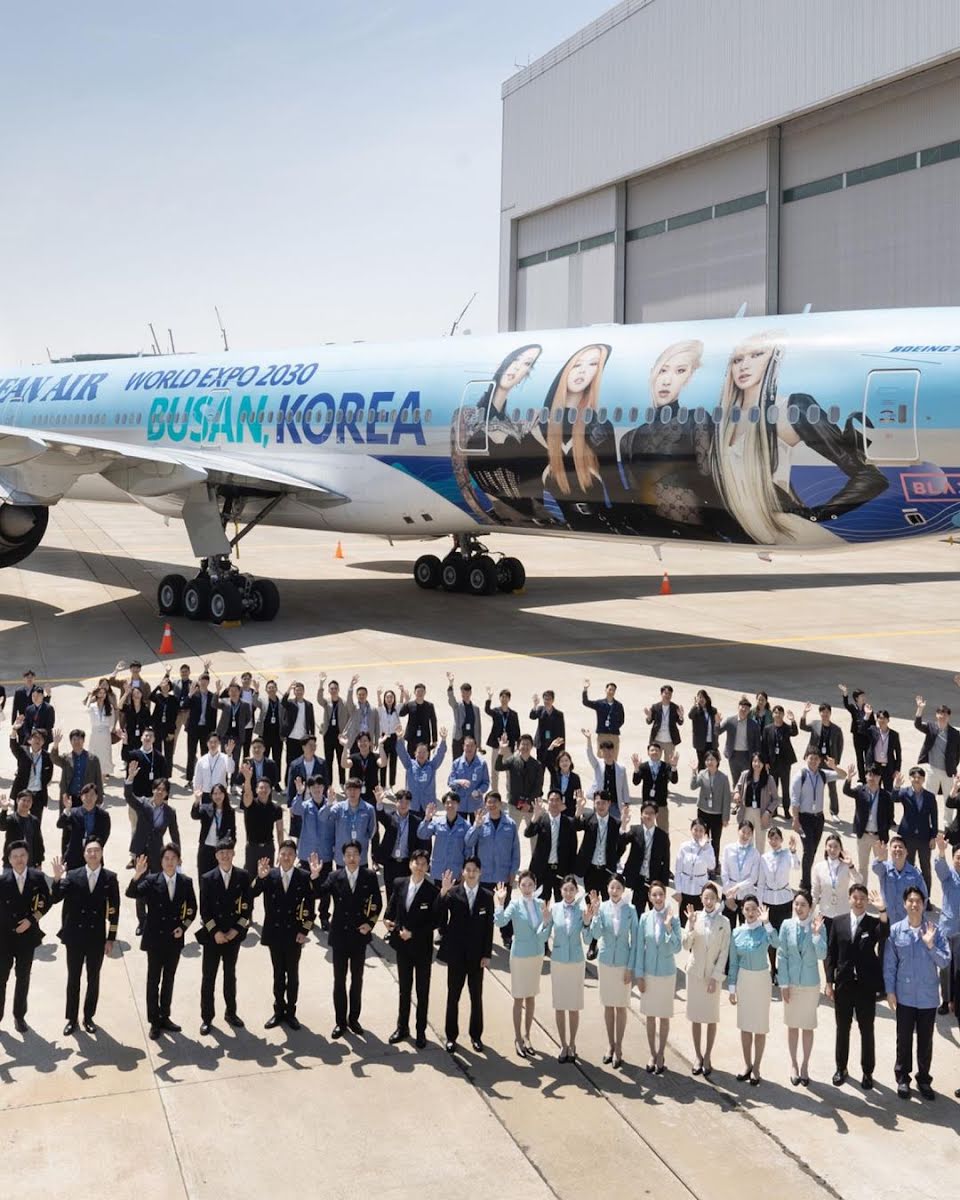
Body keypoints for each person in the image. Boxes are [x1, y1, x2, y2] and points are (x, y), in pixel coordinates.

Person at [705, 330, 886, 547]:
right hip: (751, 534)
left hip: (786, 532)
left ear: (773, 360)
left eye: (756, 355)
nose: (744, 365)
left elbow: (870, 477)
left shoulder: (789, 408)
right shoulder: (722, 421)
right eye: (737, 359)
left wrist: (817, 515)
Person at [883, 885, 951, 1099]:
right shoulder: (896, 930)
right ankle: (903, 1078)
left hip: (927, 998)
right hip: (904, 996)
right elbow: (890, 964)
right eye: (910, 901)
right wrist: (890, 991)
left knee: (925, 1041)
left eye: (918, 901)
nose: (914, 904)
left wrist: (931, 946)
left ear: (924, 904)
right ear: (904, 904)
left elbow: (945, 961)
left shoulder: (935, 930)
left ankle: (923, 1079)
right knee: (903, 1040)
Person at [125, 843, 197, 1039]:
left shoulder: (185, 882)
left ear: (179, 861)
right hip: (155, 939)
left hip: (174, 939)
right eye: (166, 858)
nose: (170, 862)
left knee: (169, 979)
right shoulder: (151, 880)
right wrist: (137, 875)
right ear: (161, 861)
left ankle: (165, 1016)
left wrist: (183, 927)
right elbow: (131, 893)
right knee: (153, 980)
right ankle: (154, 1021)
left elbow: (192, 908)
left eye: (173, 858)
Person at [312, 839, 382, 1037]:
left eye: (355, 854)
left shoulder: (369, 876)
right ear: (343, 857)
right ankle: (340, 1022)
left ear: (361, 856)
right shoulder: (335, 876)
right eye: (348, 855)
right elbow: (318, 893)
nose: (352, 858)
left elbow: (377, 903)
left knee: (357, 980)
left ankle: (354, 1019)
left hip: (359, 935)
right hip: (340, 936)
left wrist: (370, 924)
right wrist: (315, 876)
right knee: (339, 981)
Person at [51, 839, 120, 1035]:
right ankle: (71, 1019)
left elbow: (114, 911)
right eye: (89, 851)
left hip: (96, 937)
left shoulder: (109, 878)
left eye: (96, 850)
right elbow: (55, 898)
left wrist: (111, 938)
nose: (93, 854)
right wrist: (57, 879)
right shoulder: (73, 875)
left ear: (102, 853)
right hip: (75, 936)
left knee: (93, 978)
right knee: (73, 978)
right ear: (84, 854)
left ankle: (88, 1017)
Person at [825, 882, 888, 1088]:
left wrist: (882, 910)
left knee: (866, 1030)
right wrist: (829, 982)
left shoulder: (872, 923)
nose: (859, 901)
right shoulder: (838, 922)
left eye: (863, 898)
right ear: (849, 899)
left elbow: (884, 933)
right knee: (842, 1029)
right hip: (843, 985)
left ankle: (867, 1072)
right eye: (855, 898)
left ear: (867, 901)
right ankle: (841, 1068)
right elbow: (831, 954)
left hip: (865, 987)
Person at [253, 838, 315, 1030]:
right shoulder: (269, 875)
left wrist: (304, 930)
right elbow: (252, 893)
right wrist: (259, 877)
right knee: (278, 974)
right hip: (274, 933)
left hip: (294, 934)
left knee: (293, 975)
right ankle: (278, 1010)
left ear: (295, 857)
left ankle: (291, 1012)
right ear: (278, 856)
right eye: (283, 854)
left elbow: (310, 907)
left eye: (290, 854)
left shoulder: (303, 876)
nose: (286, 857)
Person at [436, 857, 493, 1053]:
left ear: (480, 872)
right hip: (457, 955)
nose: (471, 873)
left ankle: (476, 1036)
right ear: (463, 872)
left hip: (477, 957)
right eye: (468, 869)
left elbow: (489, 928)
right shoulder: (453, 893)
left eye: (474, 870)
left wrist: (487, 954)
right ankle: (451, 1037)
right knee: (453, 996)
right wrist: (443, 893)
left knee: (476, 998)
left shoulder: (487, 896)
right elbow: (438, 914)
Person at [197, 838, 252, 1035]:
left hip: (232, 936)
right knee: (208, 977)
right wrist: (216, 932)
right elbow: (204, 910)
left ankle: (231, 1013)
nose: (225, 855)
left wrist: (235, 930)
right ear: (216, 856)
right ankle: (207, 1018)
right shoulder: (207, 878)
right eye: (221, 853)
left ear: (233, 853)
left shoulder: (243, 876)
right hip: (213, 937)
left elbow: (247, 907)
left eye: (228, 852)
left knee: (230, 976)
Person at [384, 848, 438, 1048]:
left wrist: (413, 933)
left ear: (427, 867)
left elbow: (435, 921)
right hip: (402, 947)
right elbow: (391, 908)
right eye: (417, 863)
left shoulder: (432, 891)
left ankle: (420, 1031)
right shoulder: (400, 883)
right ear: (410, 864)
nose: (420, 867)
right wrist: (387, 920)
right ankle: (402, 1027)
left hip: (422, 948)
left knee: (422, 992)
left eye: (424, 864)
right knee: (404, 990)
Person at [494, 870, 548, 1057]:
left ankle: (527, 1036)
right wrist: (500, 903)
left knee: (531, 997)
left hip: (536, 955)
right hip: (519, 956)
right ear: (519, 886)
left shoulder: (541, 904)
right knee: (519, 998)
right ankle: (517, 1037)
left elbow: (544, 934)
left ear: (535, 885)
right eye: (523, 885)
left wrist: (546, 923)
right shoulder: (515, 904)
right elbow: (500, 922)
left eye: (530, 885)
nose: (526, 888)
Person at [540, 875, 594, 1063]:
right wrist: (545, 921)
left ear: (576, 891)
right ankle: (563, 1044)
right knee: (560, 1005)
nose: (569, 893)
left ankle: (572, 1043)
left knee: (574, 1006)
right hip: (559, 961)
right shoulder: (554, 909)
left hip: (576, 962)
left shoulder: (581, 910)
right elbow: (543, 937)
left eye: (572, 890)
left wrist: (587, 922)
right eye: (565, 889)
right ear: (560, 891)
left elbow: (587, 939)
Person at [0, 839, 52, 1031]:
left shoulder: (37, 878)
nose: (19, 859)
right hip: (4, 938)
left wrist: (31, 920)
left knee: (23, 978)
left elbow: (47, 901)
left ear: (28, 856)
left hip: (27, 937)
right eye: (15, 856)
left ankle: (19, 1016)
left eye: (22, 855)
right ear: (9, 859)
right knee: (1, 979)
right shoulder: (2, 881)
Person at [727, 895, 779, 1086]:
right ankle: (747, 1064)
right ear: (742, 910)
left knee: (759, 1026)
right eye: (747, 909)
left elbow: (777, 943)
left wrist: (767, 923)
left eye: (753, 909)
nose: (750, 913)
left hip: (761, 980)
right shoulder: (736, 933)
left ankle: (757, 1067)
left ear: (759, 911)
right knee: (745, 1025)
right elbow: (733, 963)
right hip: (744, 980)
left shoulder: (765, 930)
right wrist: (732, 988)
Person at [778, 890, 827, 1085]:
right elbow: (782, 955)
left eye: (803, 905)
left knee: (807, 1026)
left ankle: (805, 1064)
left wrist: (816, 934)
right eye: (796, 904)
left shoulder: (819, 925)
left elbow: (822, 955)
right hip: (791, 983)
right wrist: (783, 983)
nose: (798, 908)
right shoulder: (786, 925)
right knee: (792, 1026)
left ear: (810, 907)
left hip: (809, 984)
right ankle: (794, 1064)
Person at [124, 764, 180, 934]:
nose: (159, 792)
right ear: (153, 790)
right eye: (157, 789)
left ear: (167, 793)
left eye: (163, 790)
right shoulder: (143, 804)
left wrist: (178, 855)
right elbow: (128, 796)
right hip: (141, 852)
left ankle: (154, 918)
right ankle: (142, 921)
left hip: (157, 853)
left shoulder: (170, 812)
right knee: (140, 887)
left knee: (156, 887)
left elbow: (175, 833)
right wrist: (130, 778)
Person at [682, 882, 730, 1077]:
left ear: (717, 900)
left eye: (712, 898)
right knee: (695, 1017)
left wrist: (715, 978)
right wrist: (691, 926)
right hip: (694, 974)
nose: (709, 901)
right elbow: (686, 945)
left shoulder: (724, 922)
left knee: (711, 1017)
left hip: (712, 976)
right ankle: (698, 1055)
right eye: (705, 898)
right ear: (701, 899)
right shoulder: (695, 917)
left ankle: (708, 1055)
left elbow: (724, 952)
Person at [590, 872, 637, 1068]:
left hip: (623, 963)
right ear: (607, 889)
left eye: (618, 887)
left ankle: (619, 1047)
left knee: (621, 1007)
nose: (615, 891)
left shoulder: (630, 910)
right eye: (612, 887)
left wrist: (630, 968)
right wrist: (595, 914)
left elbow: (635, 941)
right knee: (608, 1006)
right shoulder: (602, 908)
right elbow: (596, 934)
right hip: (606, 962)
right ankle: (610, 1045)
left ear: (623, 890)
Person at [633, 881, 681, 1074]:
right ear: (649, 897)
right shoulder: (645, 918)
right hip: (649, 973)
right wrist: (639, 974)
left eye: (661, 894)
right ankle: (652, 1053)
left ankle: (661, 1053)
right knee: (650, 1016)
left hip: (667, 973)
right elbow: (639, 948)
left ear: (665, 896)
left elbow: (677, 947)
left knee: (664, 1016)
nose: (658, 898)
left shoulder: (673, 918)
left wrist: (668, 927)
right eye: (654, 895)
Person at [464, 791, 520, 948]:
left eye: (494, 802)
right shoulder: (481, 822)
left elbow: (515, 850)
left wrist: (513, 872)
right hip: (484, 875)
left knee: (505, 907)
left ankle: (507, 936)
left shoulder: (510, 824)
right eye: (488, 802)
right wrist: (476, 826)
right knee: (482, 908)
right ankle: (482, 936)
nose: (491, 805)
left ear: (500, 804)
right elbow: (468, 842)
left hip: (503, 875)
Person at [790, 749, 846, 890]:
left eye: (816, 759)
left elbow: (843, 775)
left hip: (819, 818)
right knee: (808, 850)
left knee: (813, 850)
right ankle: (805, 884)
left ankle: (806, 878)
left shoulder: (823, 774)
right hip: (804, 818)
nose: (814, 761)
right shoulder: (800, 776)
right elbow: (795, 800)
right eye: (811, 758)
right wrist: (795, 819)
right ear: (806, 759)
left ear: (820, 761)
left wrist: (834, 766)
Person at [574, 790, 620, 957]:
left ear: (609, 804)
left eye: (604, 803)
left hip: (607, 872)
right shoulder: (588, 818)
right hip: (591, 870)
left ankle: (607, 940)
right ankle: (592, 943)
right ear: (594, 803)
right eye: (598, 803)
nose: (600, 806)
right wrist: (579, 809)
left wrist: (614, 861)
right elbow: (575, 826)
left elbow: (621, 844)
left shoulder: (615, 823)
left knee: (607, 907)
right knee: (592, 906)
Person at [756, 827, 800, 982]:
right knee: (770, 935)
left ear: (781, 840)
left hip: (784, 899)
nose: (773, 841)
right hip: (768, 900)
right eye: (771, 838)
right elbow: (761, 882)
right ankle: (773, 968)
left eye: (776, 838)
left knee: (782, 936)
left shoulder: (787, 854)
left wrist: (793, 851)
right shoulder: (764, 857)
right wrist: (759, 903)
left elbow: (796, 866)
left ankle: (782, 967)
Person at [291, 776, 335, 929]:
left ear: (324, 788)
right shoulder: (305, 805)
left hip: (325, 854)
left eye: (319, 786)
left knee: (326, 889)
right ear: (309, 789)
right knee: (306, 888)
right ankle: (308, 917)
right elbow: (295, 809)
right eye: (313, 787)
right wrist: (299, 793)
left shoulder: (332, 805)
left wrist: (329, 804)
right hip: (307, 854)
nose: (317, 789)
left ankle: (324, 917)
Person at [891, 767, 938, 893]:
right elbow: (893, 799)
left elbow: (934, 818)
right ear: (910, 778)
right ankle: (908, 895)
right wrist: (896, 786)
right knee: (908, 867)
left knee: (925, 868)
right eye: (914, 777)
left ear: (923, 779)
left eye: (919, 777)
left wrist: (933, 837)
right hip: (908, 837)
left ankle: (926, 897)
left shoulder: (930, 796)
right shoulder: (904, 792)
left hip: (924, 837)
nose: (916, 780)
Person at [843, 763, 894, 878]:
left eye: (875, 775)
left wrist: (884, 832)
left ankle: (883, 889)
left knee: (883, 868)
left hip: (879, 837)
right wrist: (849, 778)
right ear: (865, 776)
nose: (872, 778)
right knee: (862, 867)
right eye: (869, 775)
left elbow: (890, 817)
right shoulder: (860, 791)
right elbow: (846, 791)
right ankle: (863, 889)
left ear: (880, 777)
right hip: (864, 836)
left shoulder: (886, 796)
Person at [620, 800, 670, 917]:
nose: (648, 816)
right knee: (637, 913)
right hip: (638, 880)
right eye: (645, 813)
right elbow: (621, 842)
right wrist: (623, 824)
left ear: (656, 815)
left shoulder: (662, 836)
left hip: (654, 881)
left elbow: (666, 860)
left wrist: (663, 884)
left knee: (658, 914)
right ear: (641, 814)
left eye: (651, 813)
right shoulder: (635, 830)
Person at [526, 792, 578, 902]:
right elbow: (528, 833)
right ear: (548, 802)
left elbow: (573, 848)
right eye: (551, 800)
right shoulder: (541, 819)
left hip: (561, 870)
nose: (554, 803)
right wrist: (535, 816)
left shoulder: (569, 822)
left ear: (562, 803)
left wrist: (571, 872)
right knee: (541, 903)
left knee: (563, 903)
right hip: (542, 870)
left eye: (557, 800)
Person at [373, 787, 423, 897]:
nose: (403, 805)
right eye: (400, 801)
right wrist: (379, 802)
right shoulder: (390, 817)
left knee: (405, 894)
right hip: (390, 862)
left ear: (410, 804)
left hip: (407, 863)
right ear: (395, 802)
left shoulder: (416, 821)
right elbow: (381, 816)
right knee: (390, 892)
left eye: (406, 802)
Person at [913, 695, 959, 813]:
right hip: (932, 770)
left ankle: (947, 822)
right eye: (940, 713)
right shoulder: (931, 727)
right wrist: (920, 709)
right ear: (936, 715)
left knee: (948, 798)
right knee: (929, 797)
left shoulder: (955, 734)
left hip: (948, 772)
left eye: (945, 714)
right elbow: (918, 725)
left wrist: (953, 767)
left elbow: (957, 754)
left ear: (949, 716)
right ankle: (928, 820)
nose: (942, 716)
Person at [799, 703, 844, 816]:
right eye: (823, 712)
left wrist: (836, 762)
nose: (825, 714)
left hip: (829, 762)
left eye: (827, 712)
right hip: (815, 761)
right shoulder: (815, 724)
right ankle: (813, 809)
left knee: (832, 787)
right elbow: (803, 727)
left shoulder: (836, 729)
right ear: (820, 713)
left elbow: (840, 745)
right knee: (813, 785)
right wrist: (804, 713)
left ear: (830, 713)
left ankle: (834, 812)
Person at [811, 833, 862, 934]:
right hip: (825, 913)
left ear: (840, 849)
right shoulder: (819, 867)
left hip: (843, 913)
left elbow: (859, 881)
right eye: (830, 846)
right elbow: (815, 893)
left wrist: (851, 866)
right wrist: (810, 914)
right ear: (825, 848)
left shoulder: (846, 866)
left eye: (836, 846)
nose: (833, 850)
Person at [240, 769, 284, 880]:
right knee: (250, 879)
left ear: (270, 790)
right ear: (256, 790)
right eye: (261, 787)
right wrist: (248, 779)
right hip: (252, 847)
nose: (263, 790)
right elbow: (247, 794)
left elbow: (280, 831)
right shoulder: (250, 804)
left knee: (268, 879)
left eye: (266, 788)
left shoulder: (276, 809)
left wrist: (281, 850)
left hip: (268, 848)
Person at [933, 832, 960, 1019]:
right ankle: (945, 1000)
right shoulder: (948, 876)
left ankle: (957, 1000)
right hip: (947, 929)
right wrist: (941, 852)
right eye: (958, 857)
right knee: (945, 968)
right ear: (953, 859)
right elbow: (940, 868)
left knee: (958, 969)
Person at [872, 836, 926, 925]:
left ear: (906, 852)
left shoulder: (915, 873)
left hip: (907, 922)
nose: (897, 849)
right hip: (887, 919)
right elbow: (875, 868)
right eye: (895, 847)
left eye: (900, 847)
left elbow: (924, 897)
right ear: (890, 851)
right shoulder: (884, 868)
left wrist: (918, 917)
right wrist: (880, 858)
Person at [417, 793, 469, 885]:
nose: (450, 805)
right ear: (444, 805)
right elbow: (422, 834)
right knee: (438, 893)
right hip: (439, 869)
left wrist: (465, 870)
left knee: (454, 894)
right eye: (447, 803)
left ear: (458, 805)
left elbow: (468, 850)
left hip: (455, 870)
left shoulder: (465, 825)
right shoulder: (437, 822)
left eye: (453, 802)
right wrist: (427, 818)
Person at [394, 730, 448, 816]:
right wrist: (399, 738)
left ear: (428, 754)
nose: (421, 755)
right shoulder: (409, 764)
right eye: (419, 752)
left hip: (427, 806)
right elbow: (402, 752)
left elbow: (440, 754)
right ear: (415, 754)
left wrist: (443, 740)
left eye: (424, 752)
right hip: (412, 805)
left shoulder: (432, 766)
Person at [57, 784, 111, 870]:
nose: (89, 798)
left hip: (93, 855)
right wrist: (67, 810)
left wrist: (94, 847)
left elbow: (104, 835)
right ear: (81, 797)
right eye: (86, 795)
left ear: (96, 797)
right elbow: (60, 824)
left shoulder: (103, 815)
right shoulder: (73, 812)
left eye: (92, 795)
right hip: (74, 857)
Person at [673, 817, 716, 923]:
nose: (698, 833)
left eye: (701, 830)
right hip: (685, 888)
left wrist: (704, 849)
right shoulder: (684, 847)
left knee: (699, 921)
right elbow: (678, 871)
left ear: (705, 832)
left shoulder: (708, 848)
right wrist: (678, 891)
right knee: (684, 920)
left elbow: (712, 866)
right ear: (691, 830)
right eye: (695, 830)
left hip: (700, 890)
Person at [190, 783, 237, 879]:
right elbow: (194, 815)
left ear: (224, 795)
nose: (218, 796)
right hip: (206, 849)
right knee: (203, 877)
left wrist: (230, 849)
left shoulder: (230, 811)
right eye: (215, 794)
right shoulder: (206, 808)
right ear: (211, 796)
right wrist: (197, 801)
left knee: (219, 878)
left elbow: (233, 832)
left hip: (221, 850)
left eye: (220, 793)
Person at [733, 753, 778, 852]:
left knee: (760, 841)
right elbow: (738, 787)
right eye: (755, 761)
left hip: (761, 813)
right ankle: (746, 859)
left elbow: (775, 799)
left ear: (764, 764)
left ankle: (759, 860)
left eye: (759, 762)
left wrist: (768, 812)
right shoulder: (745, 775)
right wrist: (736, 793)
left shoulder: (769, 779)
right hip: (746, 811)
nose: (757, 764)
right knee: (746, 838)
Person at [493, 732, 544, 819]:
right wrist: (501, 751)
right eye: (523, 744)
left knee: (532, 827)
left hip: (530, 805)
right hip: (514, 803)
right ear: (518, 746)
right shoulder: (513, 760)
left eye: (528, 744)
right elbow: (498, 767)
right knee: (513, 827)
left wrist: (528, 803)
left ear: (532, 746)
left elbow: (538, 787)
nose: (525, 747)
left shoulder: (537, 765)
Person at [51, 727, 103, 811]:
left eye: (79, 739)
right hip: (70, 798)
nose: (76, 742)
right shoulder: (66, 758)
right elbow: (54, 758)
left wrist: (99, 800)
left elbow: (98, 780)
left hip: (87, 798)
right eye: (74, 739)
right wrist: (55, 745)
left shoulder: (93, 759)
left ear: (83, 741)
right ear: (70, 741)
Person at [692, 750, 731, 863]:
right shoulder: (702, 774)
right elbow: (693, 786)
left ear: (717, 761)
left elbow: (726, 799)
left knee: (715, 841)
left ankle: (714, 864)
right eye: (707, 760)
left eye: (712, 759)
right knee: (702, 839)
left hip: (717, 814)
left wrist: (725, 818)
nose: (710, 762)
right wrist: (694, 773)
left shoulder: (723, 778)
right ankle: (701, 862)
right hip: (703, 811)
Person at [761, 705, 799, 819]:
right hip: (772, 763)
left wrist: (793, 720)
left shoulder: (786, 727)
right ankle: (774, 809)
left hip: (785, 763)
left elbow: (795, 732)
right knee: (773, 788)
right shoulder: (767, 729)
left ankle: (786, 810)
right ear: (773, 714)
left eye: (780, 713)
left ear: (783, 715)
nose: (778, 715)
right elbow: (764, 746)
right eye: (776, 712)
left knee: (785, 787)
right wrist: (765, 761)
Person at [631, 743, 678, 834]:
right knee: (645, 831)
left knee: (663, 831)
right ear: (648, 753)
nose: (654, 752)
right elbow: (636, 782)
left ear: (661, 752)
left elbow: (674, 780)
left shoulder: (666, 766)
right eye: (652, 750)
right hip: (647, 805)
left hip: (661, 804)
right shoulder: (643, 766)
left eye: (657, 750)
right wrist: (636, 769)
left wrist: (674, 767)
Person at [329, 779, 377, 867]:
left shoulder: (369, 809)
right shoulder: (338, 808)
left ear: (360, 791)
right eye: (349, 789)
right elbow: (325, 818)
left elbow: (372, 830)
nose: (352, 792)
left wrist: (364, 839)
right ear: (345, 791)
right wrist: (329, 803)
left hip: (360, 855)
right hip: (342, 856)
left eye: (355, 789)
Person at [8, 725, 52, 822]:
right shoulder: (23, 751)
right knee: (18, 822)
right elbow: (13, 745)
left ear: (43, 742)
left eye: (41, 738)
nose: (38, 740)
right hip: (23, 793)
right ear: (30, 740)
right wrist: (14, 730)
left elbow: (48, 775)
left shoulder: (47, 757)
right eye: (35, 737)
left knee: (35, 823)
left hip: (38, 795)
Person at [720, 821, 761, 926]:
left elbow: (753, 878)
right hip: (729, 893)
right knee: (728, 926)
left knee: (746, 926)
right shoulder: (728, 849)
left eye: (749, 833)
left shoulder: (755, 853)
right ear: (738, 831)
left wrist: (738, 887)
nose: (745, 835)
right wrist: (729, 894)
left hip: (746, 894)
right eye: (743, 831)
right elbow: (724, 872)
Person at [284, 735, 324, 838]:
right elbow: (290, 786)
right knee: (300, 834)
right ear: (303, 747)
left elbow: (326, 783)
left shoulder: (321, 763)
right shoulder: (295, 764)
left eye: (314, 745)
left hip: (317, 802)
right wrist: (290, 805)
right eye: (310, 745)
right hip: (301, 802)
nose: (313, 748)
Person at [583, 731, 628, 819]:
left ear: (614, 751)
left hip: (614, 804)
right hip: (600, 802)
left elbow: (624, 787)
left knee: (615, 825)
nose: (608, 754)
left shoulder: (621, 768)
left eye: (610, 751)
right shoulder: (598, 764)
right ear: (601, 752)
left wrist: (626, 803)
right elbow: (590, 754)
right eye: (605, 751)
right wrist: (588, 739)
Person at [445, 735, 489, 822]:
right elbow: (450, 782)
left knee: (477, 828)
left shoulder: (482, 764)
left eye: (472, 746)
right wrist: (459, 782)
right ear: (463, 747)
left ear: (476, 747)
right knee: (460, 829)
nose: (469, 749)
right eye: (467, 746)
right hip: (460, 805)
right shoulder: (456, 763)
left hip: (476, 805)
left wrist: (479, 791)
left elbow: (486, 782)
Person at [718, 698, 762, 785]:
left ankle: (746, 794)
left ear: (749, 711)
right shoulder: (730, 721)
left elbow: (757, 742)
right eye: (742, 707)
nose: (744, 710)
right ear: (738, 707)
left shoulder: (753, 724)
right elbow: (718, 732)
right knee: (735, 780)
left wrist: (757, 757)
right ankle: (736, 794)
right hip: (733, 755)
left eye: (747, 709)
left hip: (747, 755)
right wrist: (717, 723)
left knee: (747, 780)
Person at [838, 684, 875, 785]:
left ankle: (868, 775)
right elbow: (846, 704)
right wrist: (845, 693)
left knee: (868, 757)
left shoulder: (868, 708)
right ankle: (862, 778)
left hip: (866, 736)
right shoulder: (853, 708)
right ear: (856, 698)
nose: (864, 698)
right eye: (861, 696)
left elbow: (873, 722)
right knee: (859, 757)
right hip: (857, 736)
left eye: (864, 696)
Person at [185, 674, 217, 783]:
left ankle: (204, 778)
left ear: (208, 682)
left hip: (206, 730)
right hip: (193, 729)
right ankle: (189, 779)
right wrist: (189, 694)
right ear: (199, 681)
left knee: (205, 755)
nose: (203, 682)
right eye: (201, 680)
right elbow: (184, 706)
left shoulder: (212, 696)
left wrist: (213, 732)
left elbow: (214, 715)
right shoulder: (194, 695)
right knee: (191, 754)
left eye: (205, 680)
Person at [0, 790, 44, 868]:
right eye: (24, 800)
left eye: (29, 801)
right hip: (11, 864)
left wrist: (39, 862)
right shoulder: (11, 819)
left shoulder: (34, 821)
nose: (26, 803)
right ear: (17, 800)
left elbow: (38, 842)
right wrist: (4, 810)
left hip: (30, 863)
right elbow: (2, 826)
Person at [484, 688, 520, 784]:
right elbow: (487, 710)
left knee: (510, 771)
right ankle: (495, 791)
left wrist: (518, 745)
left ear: (509, 699)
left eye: (506, 697)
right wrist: (489, 698)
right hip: (497, 745)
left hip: (509, 746)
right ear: (500, 698)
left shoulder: (513, 714)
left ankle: (510, 792)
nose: (504, 699)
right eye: (502, 697)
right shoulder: (496, 711)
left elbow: (517, 730)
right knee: (494, 770)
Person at [282, 680, 317, 774]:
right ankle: (288, 781)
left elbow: (311, 722)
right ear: (294, 692)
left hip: (303, 738)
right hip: (291, 737)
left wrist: (312, 737)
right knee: (290, 761)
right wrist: (289, 689)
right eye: (297, 690)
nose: (299, 692)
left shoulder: (308, 705)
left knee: (302, 761)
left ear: (304, 691)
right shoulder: (290, 703)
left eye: (300, 690)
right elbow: (283, 702)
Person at [584, 680, 625, 759]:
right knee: (601, 757)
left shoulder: (618, 705)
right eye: (610, 689)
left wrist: (614, 727)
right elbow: (586, 702)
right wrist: (585, 689)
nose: (611, 692)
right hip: (602, 734)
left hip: (614, 735)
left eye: (613, 690)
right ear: (606, 690)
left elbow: (622, 720)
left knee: (613, 758)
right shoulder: (600, 703)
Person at [529, 689, 565, 777]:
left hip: (554, 748)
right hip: (542, 747)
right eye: (545, 699)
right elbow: (532, 716)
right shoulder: (540, 710)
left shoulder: (559, 714)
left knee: (554, 772)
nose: (547, 701)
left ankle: (554, 786)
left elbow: (562, 732)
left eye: (549, 699)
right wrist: (535, 705)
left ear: (553, 700)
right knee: (540, 771)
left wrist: (562, 750)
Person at [446, 675, 483, 759]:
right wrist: (451, 684)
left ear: (470, 693)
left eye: (467, 692)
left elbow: (478, 727)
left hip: (471, 741)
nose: (465, 695)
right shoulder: (457, 706)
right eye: (463, 692)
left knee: (471, 763)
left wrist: (478, 744)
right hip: (459, 739)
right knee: (457, 762)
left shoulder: (476, 709)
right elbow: (451, 699)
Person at [644, 683, 682, 764]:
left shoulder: (675, 707)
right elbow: (649, 722)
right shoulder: (655, 707)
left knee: (669, 764)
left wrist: (681, 717)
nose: (667, 695)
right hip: (657, 740)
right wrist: (649, 717)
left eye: (669, 694)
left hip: (670, 740)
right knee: (655, 761)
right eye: (665, 693)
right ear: (661, 694)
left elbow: (680, 722)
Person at [864, 708, 901, 793]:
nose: (882, 720)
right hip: (875, 766)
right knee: (873, 789)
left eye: (884, 718)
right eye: (880, 718)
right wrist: (867, 715)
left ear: (888, 720)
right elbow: (862, 729)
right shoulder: (873, 731)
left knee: (888, 791)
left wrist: (897, 769)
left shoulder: (894, 735)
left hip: (888, 767)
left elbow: (898, 753)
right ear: (877, 720)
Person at [86, 684, 118, 779]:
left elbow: (111, 721)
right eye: (100, 693)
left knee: (105, 755)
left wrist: (108, 730)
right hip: (95, 733)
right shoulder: (92, 706)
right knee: (94, 753)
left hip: (105, 733)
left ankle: (103, 777)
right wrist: (90, 697)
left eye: (104, 693)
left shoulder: (109, 707)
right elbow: (86, 709)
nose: (102, 695)